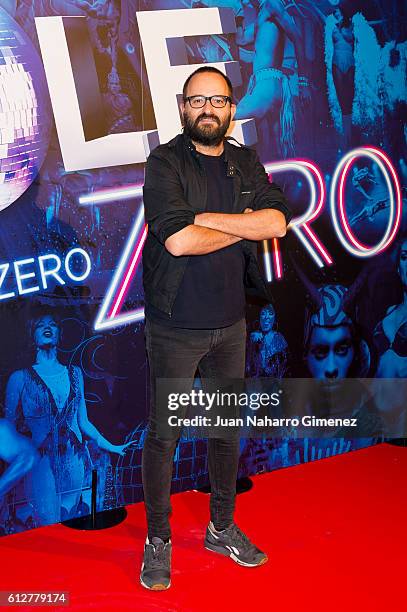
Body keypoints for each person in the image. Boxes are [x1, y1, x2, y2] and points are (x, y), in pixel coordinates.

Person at [141, 66, 291, 590]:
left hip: (231, 324)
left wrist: (206, 217)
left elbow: (275, 223)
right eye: (198, 99)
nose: (209, 108)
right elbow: (178, 241)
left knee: (224, 432)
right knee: (165, 437)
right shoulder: (164, 163)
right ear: (184, 107)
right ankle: (157, 538)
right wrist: (234, 219)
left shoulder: (244, 160)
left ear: (231, 109)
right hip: (175, 328)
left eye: (219, 100)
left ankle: (221, 527)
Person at [5, 312, 135, 526]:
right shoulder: (19, 378)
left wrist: (112, 446)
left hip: (75, 460)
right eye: (40, 325)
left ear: (59, 333)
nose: (47, 327)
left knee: (73, 520)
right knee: (48, 523)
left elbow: (83, 422)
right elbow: (8, 431)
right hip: (42, 462)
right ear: (32, 335)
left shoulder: (75, 374)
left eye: (52, 324)